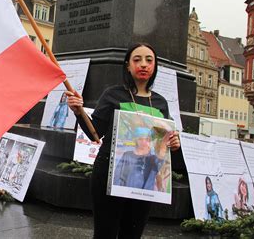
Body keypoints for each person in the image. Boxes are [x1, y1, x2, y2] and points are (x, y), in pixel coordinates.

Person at [66, 42, 181, 239]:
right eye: (137, 60)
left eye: (149, 60)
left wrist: (174, 143)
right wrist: (79, 112)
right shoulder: (113, 94)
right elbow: (95, 134)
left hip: (146, 180)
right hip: (110, 174)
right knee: (105, 233)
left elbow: (163, 143)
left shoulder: (161, 102)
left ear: (155, 66)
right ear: (128, 65)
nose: (143, 64)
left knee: (132, 233)